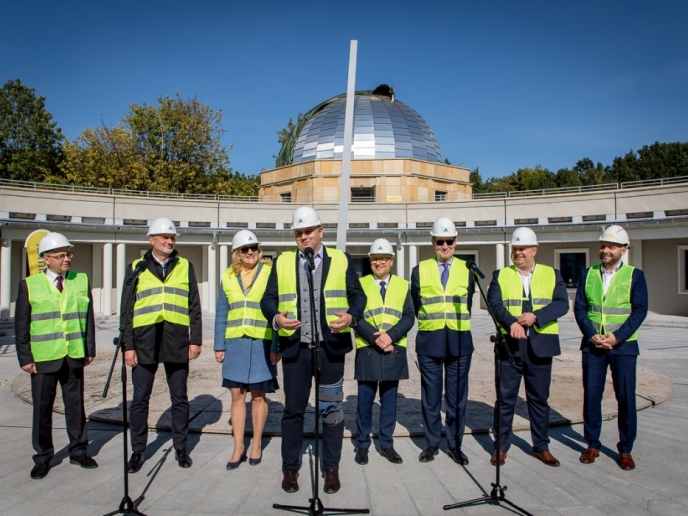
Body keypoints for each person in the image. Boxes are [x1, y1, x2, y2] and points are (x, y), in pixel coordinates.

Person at [261, 206, 366, 495]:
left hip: (331, 351)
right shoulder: (282, 262)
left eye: (308, 231)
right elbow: (268, 300)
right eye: (299, 232)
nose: (304, 236)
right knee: (293, 411)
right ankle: (290, 469)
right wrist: (277, 319)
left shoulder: (340, 259)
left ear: (321, 232)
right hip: (296, 351)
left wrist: (351, 318)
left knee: (331, 411)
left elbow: (359, 297)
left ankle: (331, 469)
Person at [121, 217, 202, 473]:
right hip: (144, 341)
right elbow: (127, 309)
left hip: (176, 339)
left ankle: (180, 447)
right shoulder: (136, 267)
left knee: (179, 397)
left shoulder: (185, 266)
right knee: (140, 399)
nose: (170, 241)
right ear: (151, 240)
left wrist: (196, 339)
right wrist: (128, 346)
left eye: (172, 237)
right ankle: (138, 450)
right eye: (164, 237)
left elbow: (194, 306)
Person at [15, 232, 98, 479]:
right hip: (43, 358)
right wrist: (25, 358)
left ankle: (79, 450)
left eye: (68, 254)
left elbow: (87, 318)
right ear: (46, 259)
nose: (66, 259)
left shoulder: (80, 280)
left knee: (75, 407)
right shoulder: (29, 285)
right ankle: (43, 456)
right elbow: (22, 325)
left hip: (73, 355)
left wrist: (89, 349)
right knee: (42, 409)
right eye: (60, 255)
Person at [486, 227, 569, 467]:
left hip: (541, 347)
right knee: (505, 400)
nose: (518, 252)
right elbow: (494, 304)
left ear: (534, 250)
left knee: (539, 400)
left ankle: (541, 447)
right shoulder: (500, 275)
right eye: (515, 249)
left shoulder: (552, 274)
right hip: (509, 347)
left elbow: (562, 304)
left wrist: (537, 317)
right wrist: (511, 322)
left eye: (522, 248)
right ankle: (500, 447)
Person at [574, 224, 648, 471]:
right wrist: (592, 335)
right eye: (603, 245)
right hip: (593, 346)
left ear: (623, 250)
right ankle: (592, 443)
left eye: (612, 246)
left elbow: (639, 311)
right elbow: (581, 309)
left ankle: (625, 449)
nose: (606, 250)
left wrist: (617, 337)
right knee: (592, 397)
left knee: (625, 398)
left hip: (623, 347)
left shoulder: (634, 276)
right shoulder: (588, 273)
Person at [214, 230, 280, 470]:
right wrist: (219, 345)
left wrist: (276, 344)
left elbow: (276, 310)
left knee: (259, 395)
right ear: (237, 253)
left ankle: (256, 445)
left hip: (262, 341)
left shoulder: (270, 272)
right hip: (235, 343)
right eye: (245, 249)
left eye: (253, 248)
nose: (250, 252)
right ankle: (238, 446)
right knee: (236, 395)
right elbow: (222, 311)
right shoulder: (228, 276)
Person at [410, 217, 474, 465]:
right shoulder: (420, 270)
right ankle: (432, 443)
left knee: (457, 398)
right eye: (440, 241)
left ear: (456, 242)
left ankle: (455, 445)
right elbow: (416, 305)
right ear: (433, 242)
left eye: (449, 241)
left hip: (459, 342)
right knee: (431, 397)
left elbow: (467, 305)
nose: (445, 246)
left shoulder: (468, 269)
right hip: (430, 342)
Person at [353, 239, 414, 465]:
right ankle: (362, 445)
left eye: (384, 258)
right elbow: (355, 316)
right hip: (369, 348)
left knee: (389, 402)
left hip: (392, 349)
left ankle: (387, 444)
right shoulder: (360, 284)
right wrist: (377, 338)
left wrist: (391, 336)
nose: (379, 262)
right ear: (370, 261)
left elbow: (409, 316)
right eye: (375, 259)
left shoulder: (402, 285)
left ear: (391, 261)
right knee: (364, 403)